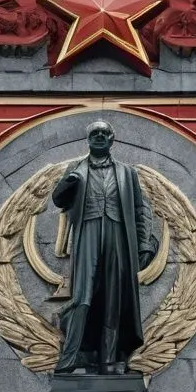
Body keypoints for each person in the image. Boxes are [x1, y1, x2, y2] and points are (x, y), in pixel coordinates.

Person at [51, 121, 156, 374]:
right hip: (88, 230)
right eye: (94, 133)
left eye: (104, 133)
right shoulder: (76, 169)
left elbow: (140, 209)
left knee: (113, 296)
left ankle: (108, 360)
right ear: (87, 140)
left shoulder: (127, 173)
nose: (99, 137)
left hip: (118, 234)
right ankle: (70, 355)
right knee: (82, 296)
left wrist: (143, 244)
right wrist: (69, 182)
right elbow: (58, 199)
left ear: (112, 140)